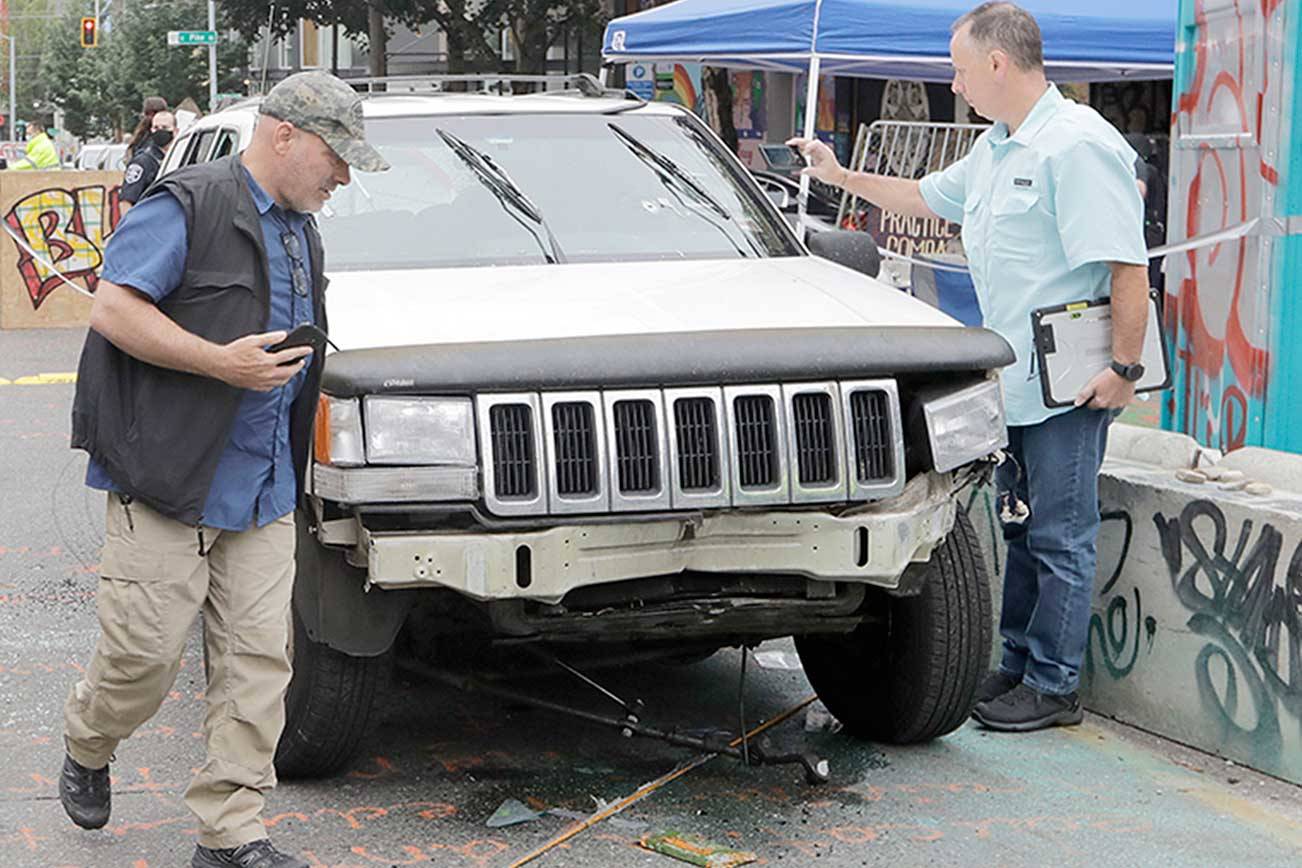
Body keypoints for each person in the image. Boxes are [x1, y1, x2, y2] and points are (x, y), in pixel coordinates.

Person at [59, 71, 389, 868]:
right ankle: (88, 740)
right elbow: (113, 308)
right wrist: (219, 364)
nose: (342, 175)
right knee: (143, 659)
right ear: (284, 135)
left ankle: (231, 834)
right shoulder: (189, 203)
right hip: (168, 478)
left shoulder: (301, 230)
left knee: (256, 666)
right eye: (334, 156)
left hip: (264, 487)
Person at [790, 2, 1149, 732]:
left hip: (1069, 385)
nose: (953, 85)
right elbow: (924, 196)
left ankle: (1053, 687)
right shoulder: (998, 146)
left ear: (997, 63)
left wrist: (1125, 370)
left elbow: (1127, 266)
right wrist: (840, 174)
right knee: (1019, 527)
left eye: (957, 70)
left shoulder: (1075, 146)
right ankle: (1016, 665)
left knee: (1061, 534)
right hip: (1011, 382)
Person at [120, 110, 177, 206]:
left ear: (175, 131)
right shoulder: (142, 161)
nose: (160, 130)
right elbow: (126, 201)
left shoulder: (180, 156)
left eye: (165, 127)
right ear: (151, 130)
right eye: (156, 127)